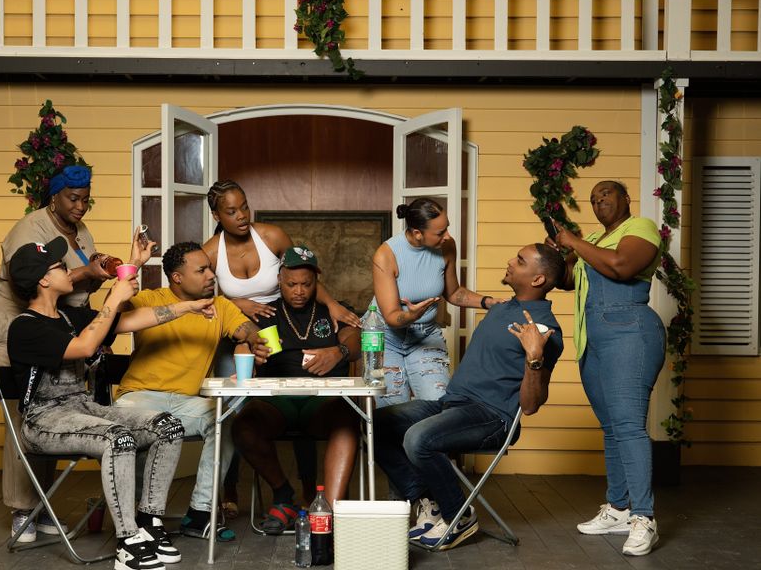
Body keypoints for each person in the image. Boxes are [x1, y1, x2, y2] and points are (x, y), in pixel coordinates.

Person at [6, 236, 216, 570]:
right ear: (43, 281)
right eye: (59, 266)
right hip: (44, 421)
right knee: (118, 438)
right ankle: (127, 541)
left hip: (82, 408)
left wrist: (189, 307)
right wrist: (116, 296)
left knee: (167, 426)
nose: (68, 270)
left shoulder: (69, 317)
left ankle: (149, 522)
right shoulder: (24, 328)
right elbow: (85, 347)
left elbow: (134, 320)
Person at [0, 164, 153, 542]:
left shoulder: (80, 230)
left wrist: (105, 272)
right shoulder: (31, 229)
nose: (80, 206)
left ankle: (40, 503)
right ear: (54, 196)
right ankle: (22, 507)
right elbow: (29, 283)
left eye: (85, 200)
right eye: (73, 199)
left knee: (59, 403)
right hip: (15, 322)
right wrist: (86, 274)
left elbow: (75, 288)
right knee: (25, 407)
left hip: (58, 321)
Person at [374, 243, 565, 551]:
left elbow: (530, 406)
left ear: (538, 279)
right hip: (453, 405)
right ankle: (430, 501)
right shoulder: (503, 308)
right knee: (375, 424)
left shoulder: (544, 330)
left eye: (519, 260)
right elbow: (457, 295)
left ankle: (458, 516)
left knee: (418, 439)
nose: (510, 261)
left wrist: (534, 357)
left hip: (493, 416)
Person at [202, 179, 360, 513]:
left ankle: (317, 500)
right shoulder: (211, 251)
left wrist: (333, 306)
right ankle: (232, 491)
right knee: (233, 412)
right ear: (217, 215)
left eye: (245, 207)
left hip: (277, 325)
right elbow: (202, 297)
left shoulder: (272, 238)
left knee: (319, 399)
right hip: (245, 327)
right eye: (231, 211)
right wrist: (239, 308)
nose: (242, 215)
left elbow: (299, 268)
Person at [114, 241, 269, 542]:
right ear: (177, 277)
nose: (211, 275)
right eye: (201, 270)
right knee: (151, 432)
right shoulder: (149, 299)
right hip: (138, 397)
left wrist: (253, 341)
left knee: (225, 422)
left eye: (210, 268)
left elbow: (247, 329)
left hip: (187, 403)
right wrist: (134, 264)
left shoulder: (220, 306)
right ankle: (144, 515)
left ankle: (199, 514)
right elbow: (112, 314)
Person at [551, 181, 665, 556]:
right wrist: (560, 254)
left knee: (628, 425)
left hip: (630, 331)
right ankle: (618, 509)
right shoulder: (594, 239)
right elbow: (567, 280)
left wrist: (574, 242)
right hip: (593, 340)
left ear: (626, 199)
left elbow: (621, 266)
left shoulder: (641, 227)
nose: (599, 200)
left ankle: (644, 517)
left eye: (606, 194)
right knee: (612, 427)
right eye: (594, 198)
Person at [230, 245, 361, 535]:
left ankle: (328, 513)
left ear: (317, 281)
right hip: (278, 402)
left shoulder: (332, 310)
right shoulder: (267, 313)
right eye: (291, 284)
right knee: (243, 425)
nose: (299, 291)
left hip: (323, 402)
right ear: (279, 280)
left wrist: (338, 351)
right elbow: (245, 342)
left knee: (348, 420)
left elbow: (355, 338)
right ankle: (283, 496)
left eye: (306, 284)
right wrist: (252, 353)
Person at [371, 198, 498, 408]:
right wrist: (411, 315)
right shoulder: (386, 255)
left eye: (447, 228)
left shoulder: (447, 246)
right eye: (440, 232)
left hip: (425, 335)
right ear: (417, 233)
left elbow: (454, 292)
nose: (447, 236)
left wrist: (488, 302)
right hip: (386, 339)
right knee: (393, 412)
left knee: (438, 404)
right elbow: (392, 316)